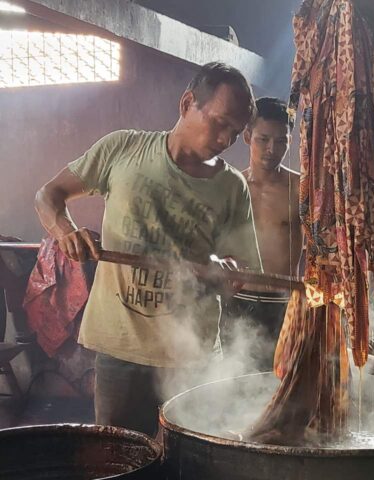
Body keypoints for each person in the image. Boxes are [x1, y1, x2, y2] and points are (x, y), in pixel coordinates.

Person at [34, 62, 263, 436]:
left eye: (235, 133)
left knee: (194, 464)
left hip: (194, 357)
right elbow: (48, 195)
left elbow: (243, 266)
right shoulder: (123, 148)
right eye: (220, 123)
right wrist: (64, 231)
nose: (225, 139)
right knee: (122, 460)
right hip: (121, 350)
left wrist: (228, 269)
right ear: (187, 103)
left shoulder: (231, 186)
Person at [219, 97, 302, 371]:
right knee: (237, 388)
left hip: (285, 303)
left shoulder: (301, 189)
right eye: (263, 139)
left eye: (281, 141)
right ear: (247, 136)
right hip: (238, 304)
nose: (271, 149)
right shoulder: (231, 188)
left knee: (285, 389)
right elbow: (209, 245)